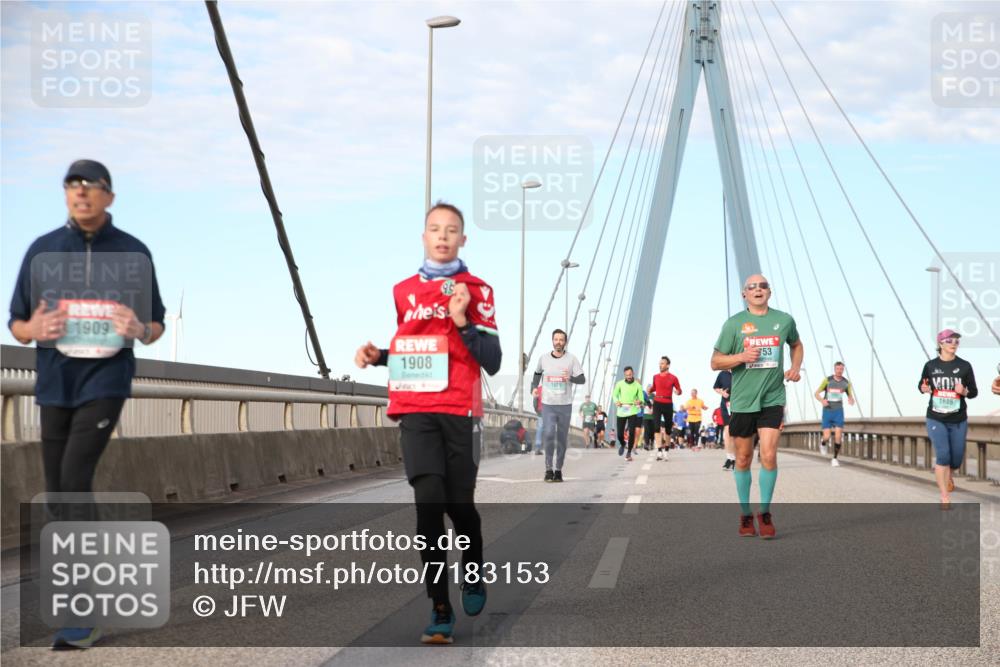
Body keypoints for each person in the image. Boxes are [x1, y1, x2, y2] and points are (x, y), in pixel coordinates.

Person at [8, 160, 166, 649]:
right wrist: (33, 331)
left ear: (109, 197)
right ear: (65, 195)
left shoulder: (133, 252)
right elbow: (16, 321)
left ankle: (84, 609)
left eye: (91, 186)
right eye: (72, 186)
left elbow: (156, 324)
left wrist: (137, 329)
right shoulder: (42, 250)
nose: (81, 193)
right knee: (58, 496)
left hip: (106, 380)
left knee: (76, 481)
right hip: (54, 383)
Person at [355, 201, 499, 644]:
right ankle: (439, 606)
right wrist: (380, 356)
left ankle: (471, 573)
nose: (442, 236)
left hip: (459, 410)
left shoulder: (479, 290)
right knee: (429, 506)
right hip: (415, 410)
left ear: (463, 239)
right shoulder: (402, 291)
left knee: (460, 509)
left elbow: (491, 360)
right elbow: (413, 355)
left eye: (451, 230)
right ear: (423, 237)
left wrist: (461, 320)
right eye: (434, 229)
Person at [711, 275, 802, 539]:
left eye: (762, 286)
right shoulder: (734, 325)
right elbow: (715, 362)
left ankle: (764, 512)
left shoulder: (784, 320)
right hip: (742, 402)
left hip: (772, 399)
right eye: (752, 287)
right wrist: (740, 357)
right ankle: (745, 514)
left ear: (769, 292)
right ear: (744, 294)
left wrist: (795, 368)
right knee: (743, 458)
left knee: (770, 455)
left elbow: (796, 345)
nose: (758, 289)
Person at [919, 329, 978, 509]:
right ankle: (944, 496)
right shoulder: (930, 366)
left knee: (956, 459)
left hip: (958, 419)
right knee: (943, 455)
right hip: (936, 417)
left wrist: (964, 392)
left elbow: (974, 392)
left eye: (957, 341)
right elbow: (922, 385)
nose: (954, 344)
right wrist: (924, 388)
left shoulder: (965, 366)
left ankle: (949, 475)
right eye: (950, 340)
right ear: (941, 344)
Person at [531, 329, 585, 483]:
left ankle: (558, 470)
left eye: (561, 340)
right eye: (556, 339)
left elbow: (582, 379)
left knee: (561, 438)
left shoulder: (572, 359)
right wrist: (534, 388)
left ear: (565, 342)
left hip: (565, 405)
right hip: (548, 404)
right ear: (552, 341)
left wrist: (571, 378)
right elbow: (536, 374)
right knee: (548, 434)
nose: (558, 342)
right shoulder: (543, 358)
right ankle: (548, 469)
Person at [815, 361, 855, 467]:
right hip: (827, 411)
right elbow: (816, 393)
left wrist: (851, 399)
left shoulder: (846, 383)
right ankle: (823, 443)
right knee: (827, 436)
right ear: (834, 369)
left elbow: (849, 395)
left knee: (838, 436)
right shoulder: (827, 380)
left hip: (838, 412)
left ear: (843, 370)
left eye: (841, 369)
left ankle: (835, 458)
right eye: (838, 369)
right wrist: (822, 400)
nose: (839, 371)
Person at [651, 356, 682, 460]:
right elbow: (654, 388)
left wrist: (678, 392)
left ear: (668, 365)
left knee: (668, 430)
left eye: (663, 363)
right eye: (660, 363)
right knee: (656, 427)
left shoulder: (673, 378)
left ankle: (666, 451)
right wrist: (649, 390)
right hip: (657, 403)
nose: (660, 365)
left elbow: (679, 390)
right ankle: (659, 451)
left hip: (668, 403)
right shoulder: (655, 376)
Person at [612, 366, 643, 462]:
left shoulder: (638, 385)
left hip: (632, 410)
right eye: (626, 375)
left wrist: (639, 402)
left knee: (632, 432)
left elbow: (641, 399)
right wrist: (616, 401)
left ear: (633, 373)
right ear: (624, 375)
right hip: (621, 411)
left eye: (630, 374)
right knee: (620, 434)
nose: (628, 376)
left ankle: (629, 452)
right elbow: (614, 395)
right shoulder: (619, 384)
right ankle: (622, 444)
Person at [714, 369, 735, 470]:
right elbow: (716, 387)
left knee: (738, 431)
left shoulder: (741, 370)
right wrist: (722, 392)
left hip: (741, 403)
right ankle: (730, 458)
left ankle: (737, 458)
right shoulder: (723, 374)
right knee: (728, 430)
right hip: (726, 404)